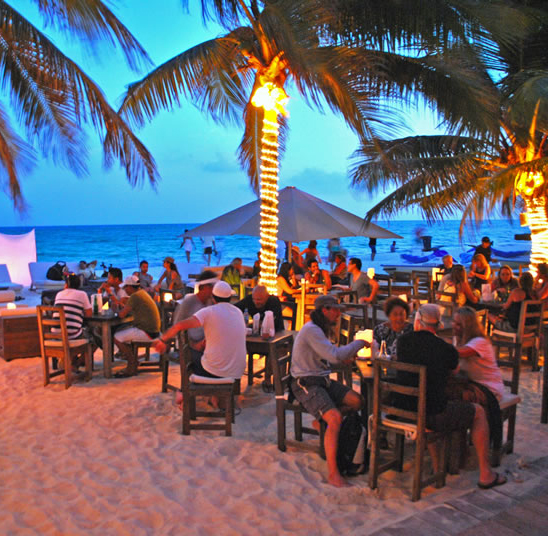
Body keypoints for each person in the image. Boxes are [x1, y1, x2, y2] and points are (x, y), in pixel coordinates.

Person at [395, 304, 506, 489]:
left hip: (402, 409)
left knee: (435, 400)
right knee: (477, 412)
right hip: (430, 416)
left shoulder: (402, 342)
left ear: (417, 321)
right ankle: (486, 474)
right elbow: (453, 370)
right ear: (438, 325)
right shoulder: (445, 348)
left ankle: (440, 467)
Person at [290, 294, 368, 487]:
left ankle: (322, 422)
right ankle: (333, 473)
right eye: (335, 309)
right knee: (334, 418)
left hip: (322, 379)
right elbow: (334, 355)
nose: (338, 313)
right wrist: (360, 342)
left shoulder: (320, 329)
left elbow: (328, 356)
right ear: (324, 310)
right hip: (305, 382)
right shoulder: (312, 330)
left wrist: (344, 357)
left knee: (357, 401)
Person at [154, 281, 246, 382]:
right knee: (202, 350)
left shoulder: (209, 311)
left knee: (187, 352)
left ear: (213, 298)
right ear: (230, 298)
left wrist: (162, 340)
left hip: (214, 372)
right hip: (237, 371)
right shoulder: (238, 312)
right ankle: (214, 394)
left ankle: (185, 390)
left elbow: (179, 326)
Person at [452, 307, 505, 402]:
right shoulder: (458, 340)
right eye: (454, 322)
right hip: (472, 385)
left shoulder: (480, 342)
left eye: (458, 324)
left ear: (467, 327)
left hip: (489, 389)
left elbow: (459, 353)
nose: (453, 326)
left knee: (453, 398)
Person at [113, 275, 161, 377]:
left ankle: (132, 363)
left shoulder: (135, 296)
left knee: (117, 337)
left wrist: (116, 309)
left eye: (125, 287)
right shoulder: (142, 293)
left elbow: (122, 315)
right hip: (154, 330)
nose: (124, 289)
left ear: (130, 287)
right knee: (125, 333)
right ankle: (132, 360)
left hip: (147, 332)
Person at [172, 270, 217, 364]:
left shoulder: (211, 302)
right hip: (189, 345)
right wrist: (193, 345)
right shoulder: (189, 302)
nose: (214, 289)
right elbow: (178, 328)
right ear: (202, 287)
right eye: (211, 286)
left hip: (206, 344)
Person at [52, 273, 93, 373]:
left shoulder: (59, 294)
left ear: (66, 284)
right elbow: (89, 314)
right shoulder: (82, 294)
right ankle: (75, 364)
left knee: (77, 331)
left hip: (56, 335)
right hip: (71, 335)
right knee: (93, 340)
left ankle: (70, 361)